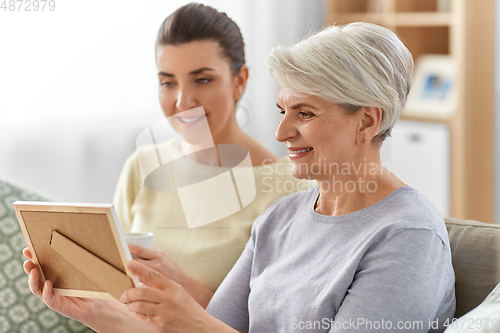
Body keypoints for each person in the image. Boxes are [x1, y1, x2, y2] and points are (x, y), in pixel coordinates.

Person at [24, 21, 456, 333]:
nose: (282, 132)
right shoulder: (282, 217)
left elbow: (201, 328)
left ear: (366, 122)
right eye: (283, 111)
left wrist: (190, 321)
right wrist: (91, 312)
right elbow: (220, 327)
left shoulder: (408, 236)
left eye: (304, 114)